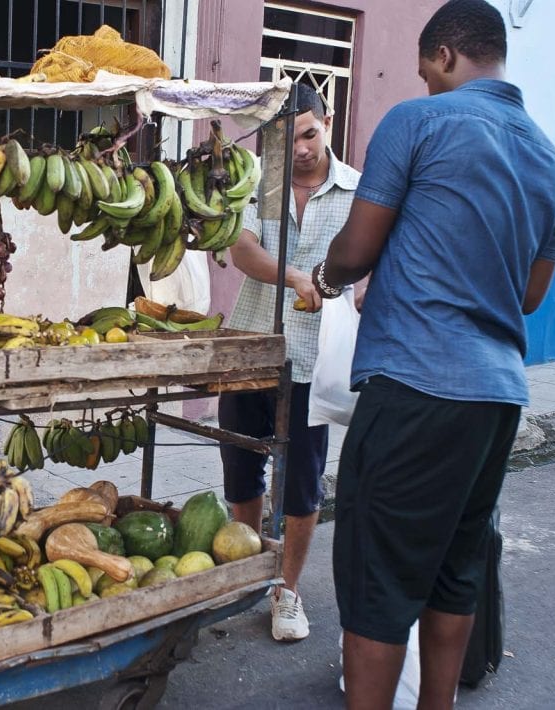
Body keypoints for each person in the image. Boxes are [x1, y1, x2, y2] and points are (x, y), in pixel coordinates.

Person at [310, 1, 555, 707]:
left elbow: (358, 248)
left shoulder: (417, 122)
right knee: (456, 568)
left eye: (428, 71)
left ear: (449, 55)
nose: (424, 83)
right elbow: (526, 297)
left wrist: (330, 277)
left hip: (418, 388)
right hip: (496, 397)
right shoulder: (552, 166)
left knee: (379, 578)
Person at [220, 82, 362, 642]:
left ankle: (288, 591)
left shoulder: (357, 192)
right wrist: (299, 277)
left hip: (314, 356)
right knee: (240, 467)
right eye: (287, 138)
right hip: (252, 346)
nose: (299, 148)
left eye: (308, 133)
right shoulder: (260, 182)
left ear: (326, 124)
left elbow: (369, 262)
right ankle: (248, 571)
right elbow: (242, 249)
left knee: (301, 483)